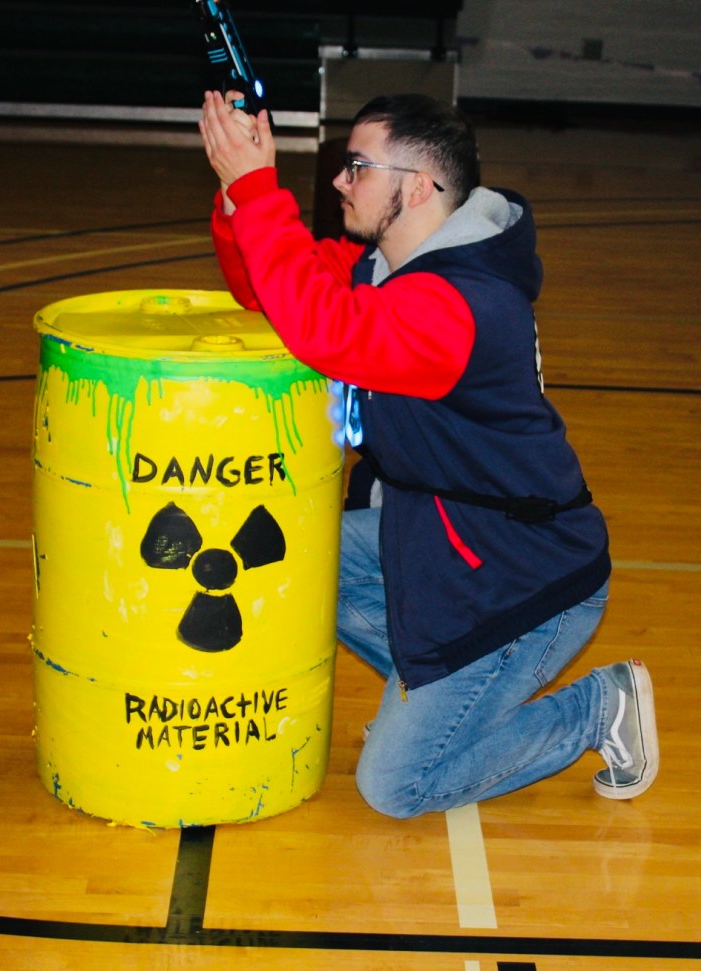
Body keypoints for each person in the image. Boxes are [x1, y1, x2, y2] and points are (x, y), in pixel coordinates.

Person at [198, 90, 659, 817]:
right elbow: (272, 287)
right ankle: (450, 709)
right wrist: (238, 194)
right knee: (295, 562)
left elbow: (325, 332)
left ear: (417, 187)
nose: (340, 180)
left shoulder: (457, 305)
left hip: (522, 576)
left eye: (357, 167)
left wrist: (260, 188)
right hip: (444, 541)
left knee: (395, 787)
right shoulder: (388, 267)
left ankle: (597, 708)